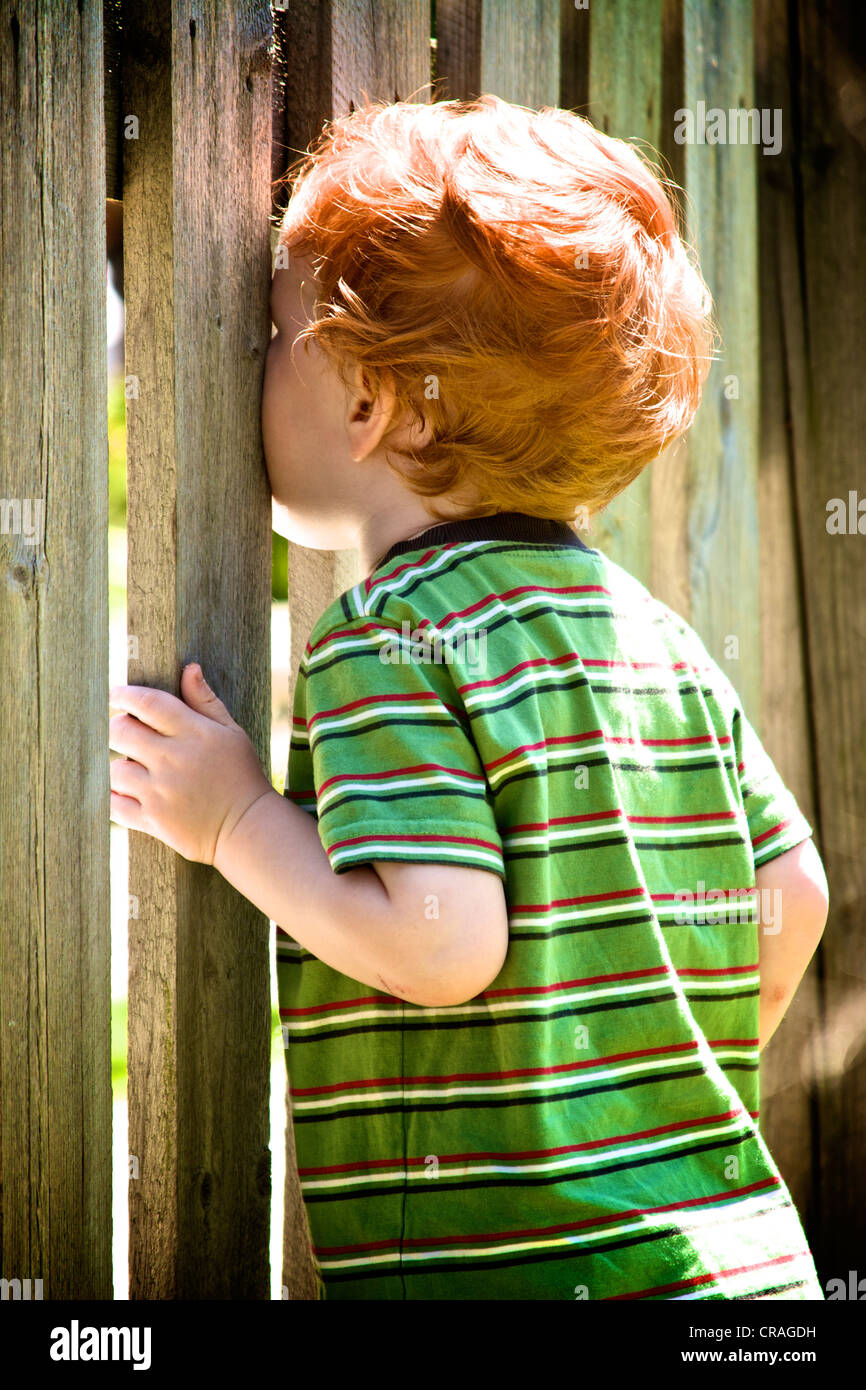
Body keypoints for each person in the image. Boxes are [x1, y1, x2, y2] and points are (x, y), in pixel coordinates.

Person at [109, 93, 829, 1300]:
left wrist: (235, 821)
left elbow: (439, 943)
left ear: (365, 399)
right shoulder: (656, 640)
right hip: (745, 1270)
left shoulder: (392, 635)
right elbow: (790, 894)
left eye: (267, 332)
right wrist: (629, 1082)